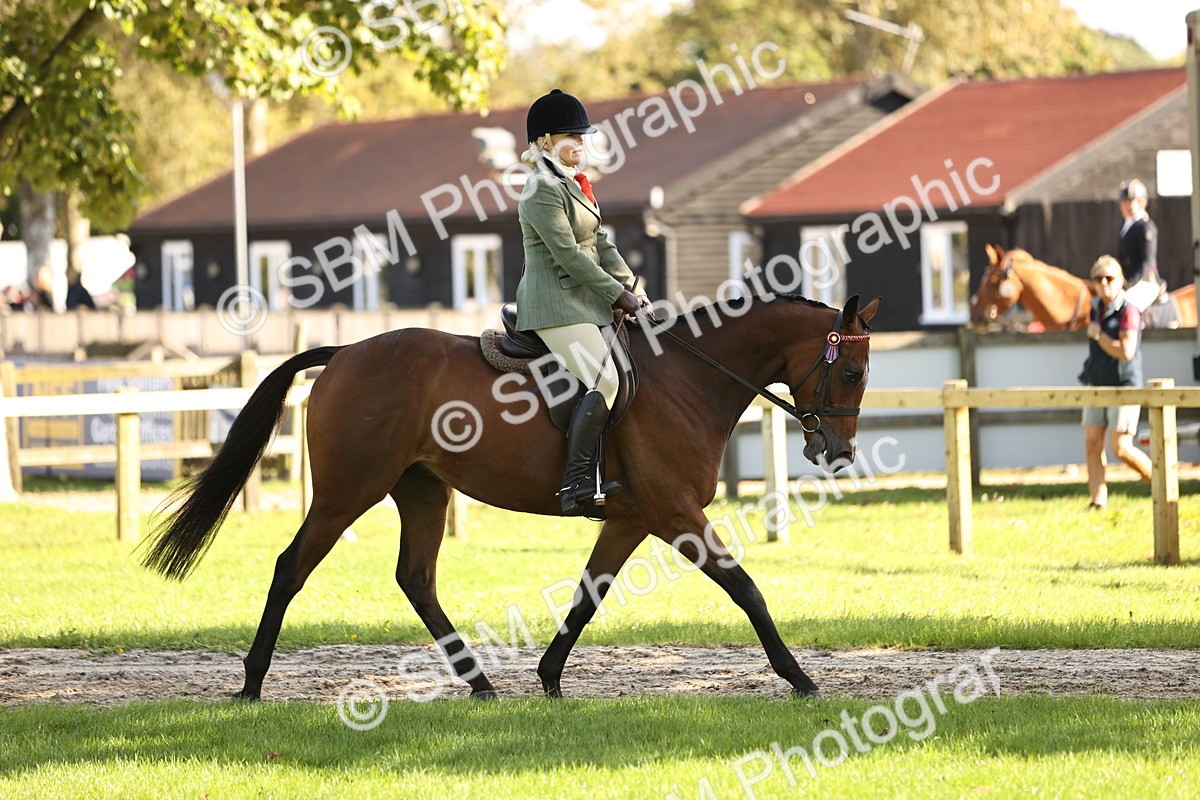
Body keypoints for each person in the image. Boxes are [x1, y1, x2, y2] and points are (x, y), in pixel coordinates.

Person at [516, 88, 651, 516]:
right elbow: (570, 256)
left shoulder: (575, 185)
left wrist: (632, 284)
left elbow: (600, 243)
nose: (580, 143)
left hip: (583, 301)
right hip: (553, 303)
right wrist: (617, 294)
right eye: (570, 136)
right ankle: (575, 485)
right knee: (606, 380)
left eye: (582, 135)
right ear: (544, 142)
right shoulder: (541, 189)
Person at [1078, 256, 1152, 509]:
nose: (1104, 283)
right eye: (1099, 278)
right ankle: (1097, 501)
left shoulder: (1129, 309)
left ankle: (1159, 482)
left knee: (1120, 447)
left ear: (1120, 280)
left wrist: (1098, 335)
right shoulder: (1095, 307)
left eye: (1109, 277)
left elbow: (1126, 351)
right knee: (1092, 443)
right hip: (1096, 384)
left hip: (1123, 386)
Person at [1114, 179, 1162, 312]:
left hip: (1145, 282)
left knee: (1125, 308)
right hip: (1126, 282)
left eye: (1131, 201)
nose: (1127, 206)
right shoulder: (1125, 227)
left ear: (1141, 202)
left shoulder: (1146, 227)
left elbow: (1148, 261)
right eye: (1124, 202)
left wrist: (1130, 283)